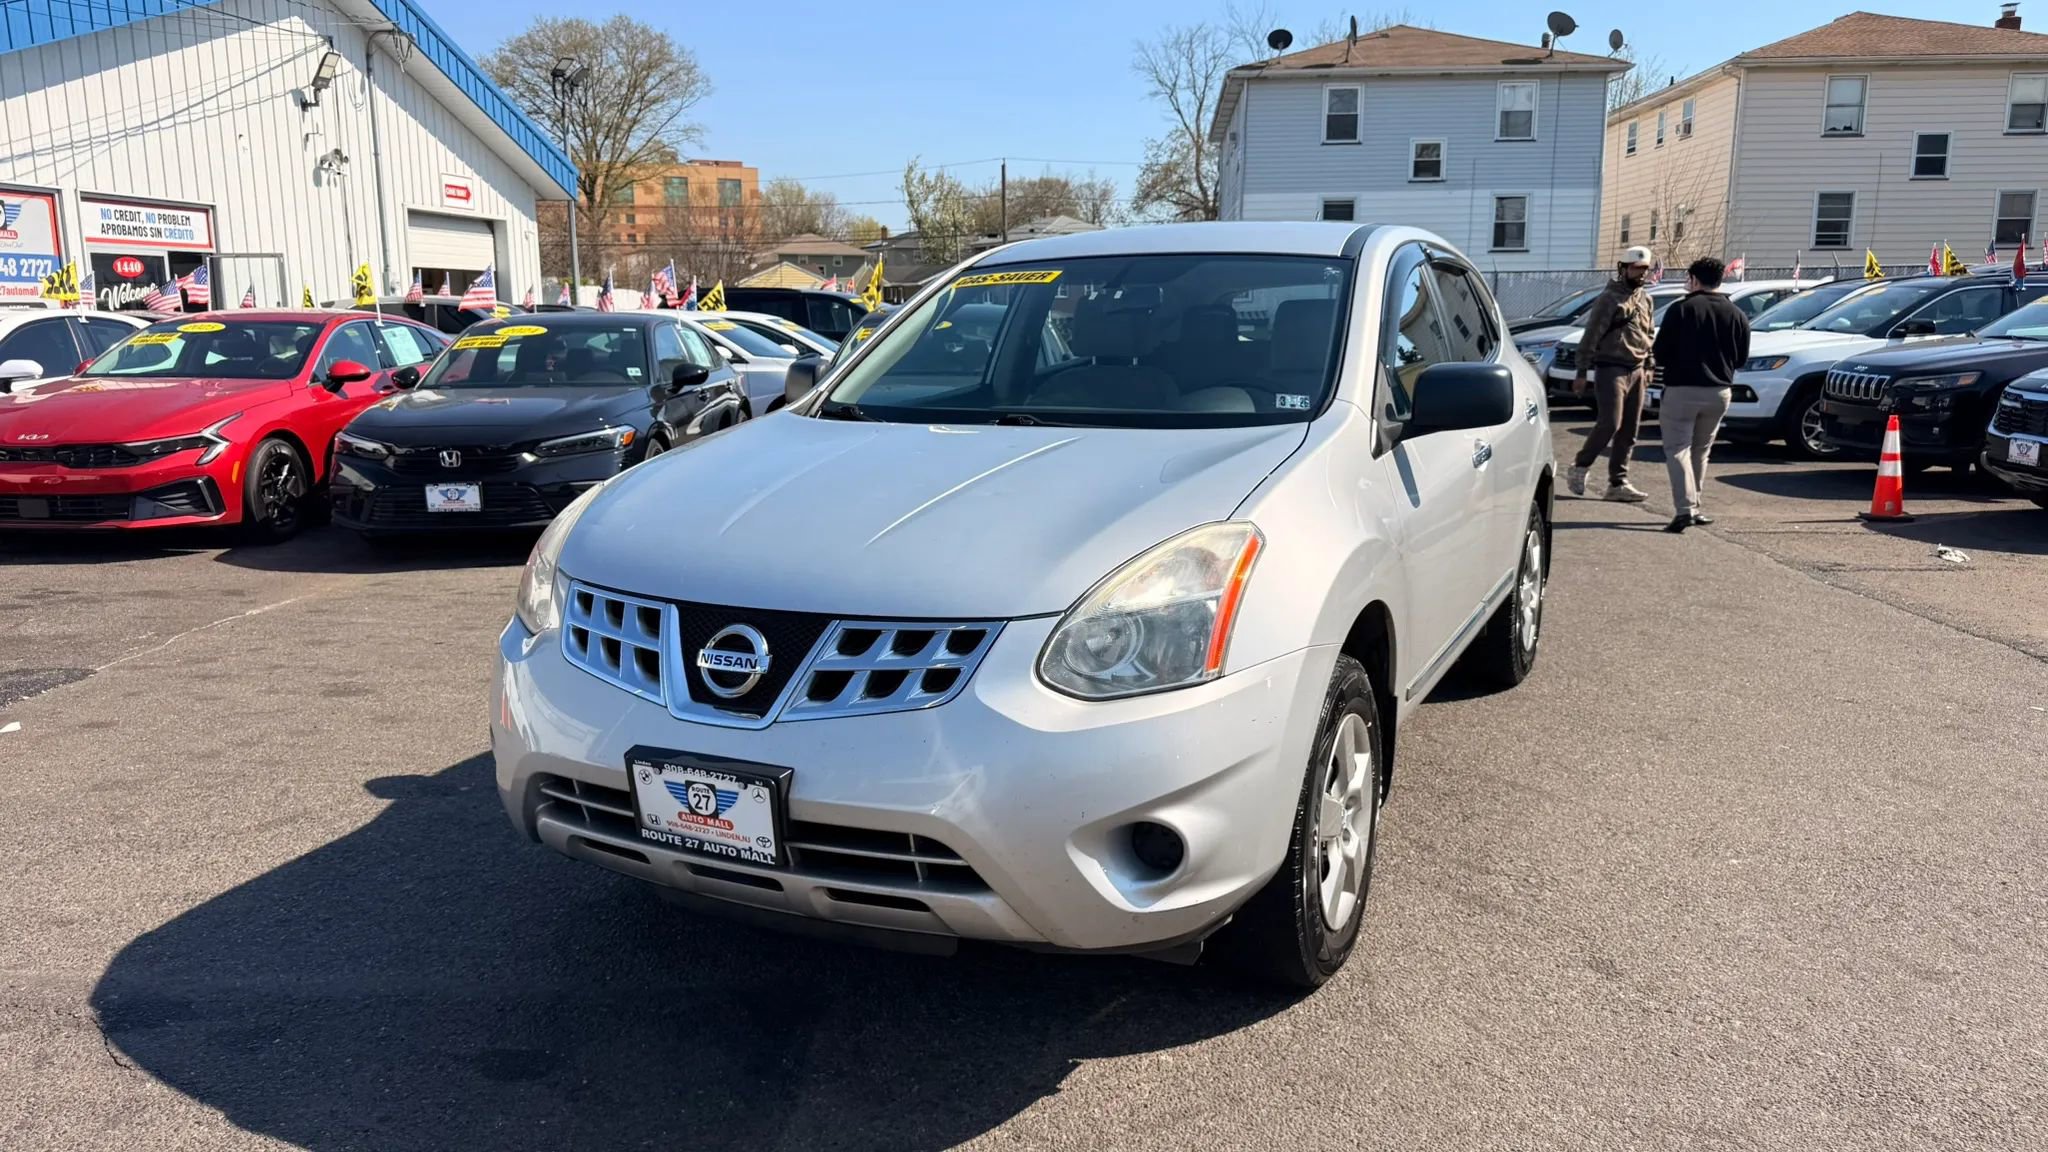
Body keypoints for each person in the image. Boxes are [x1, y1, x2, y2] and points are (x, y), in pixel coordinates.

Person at [1651, 257, 1750, 533]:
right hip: (1719, 391)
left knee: (1677, 448)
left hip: (1682, 388)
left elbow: (1660, 352)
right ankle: (1695, 506)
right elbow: (1741, 358)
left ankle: (1685, 509)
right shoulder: (1737, 314)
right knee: (1701, 450)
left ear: (1694, 279)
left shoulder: (1681, 309)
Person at [1568, 247, 1658, 502]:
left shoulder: (1646, 299)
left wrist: (1649, 364)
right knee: (1610, 423)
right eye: (1635, 268)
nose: (1640, 274)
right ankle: (1580, 466)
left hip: (1637, 369)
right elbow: (1591, 335)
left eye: (1644, 269)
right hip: (1611, 367)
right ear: (1623, 269)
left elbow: (1648, 334)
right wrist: (1581, 371)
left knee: (1630, 429)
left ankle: (1618, 482)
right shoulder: (1609, 298)